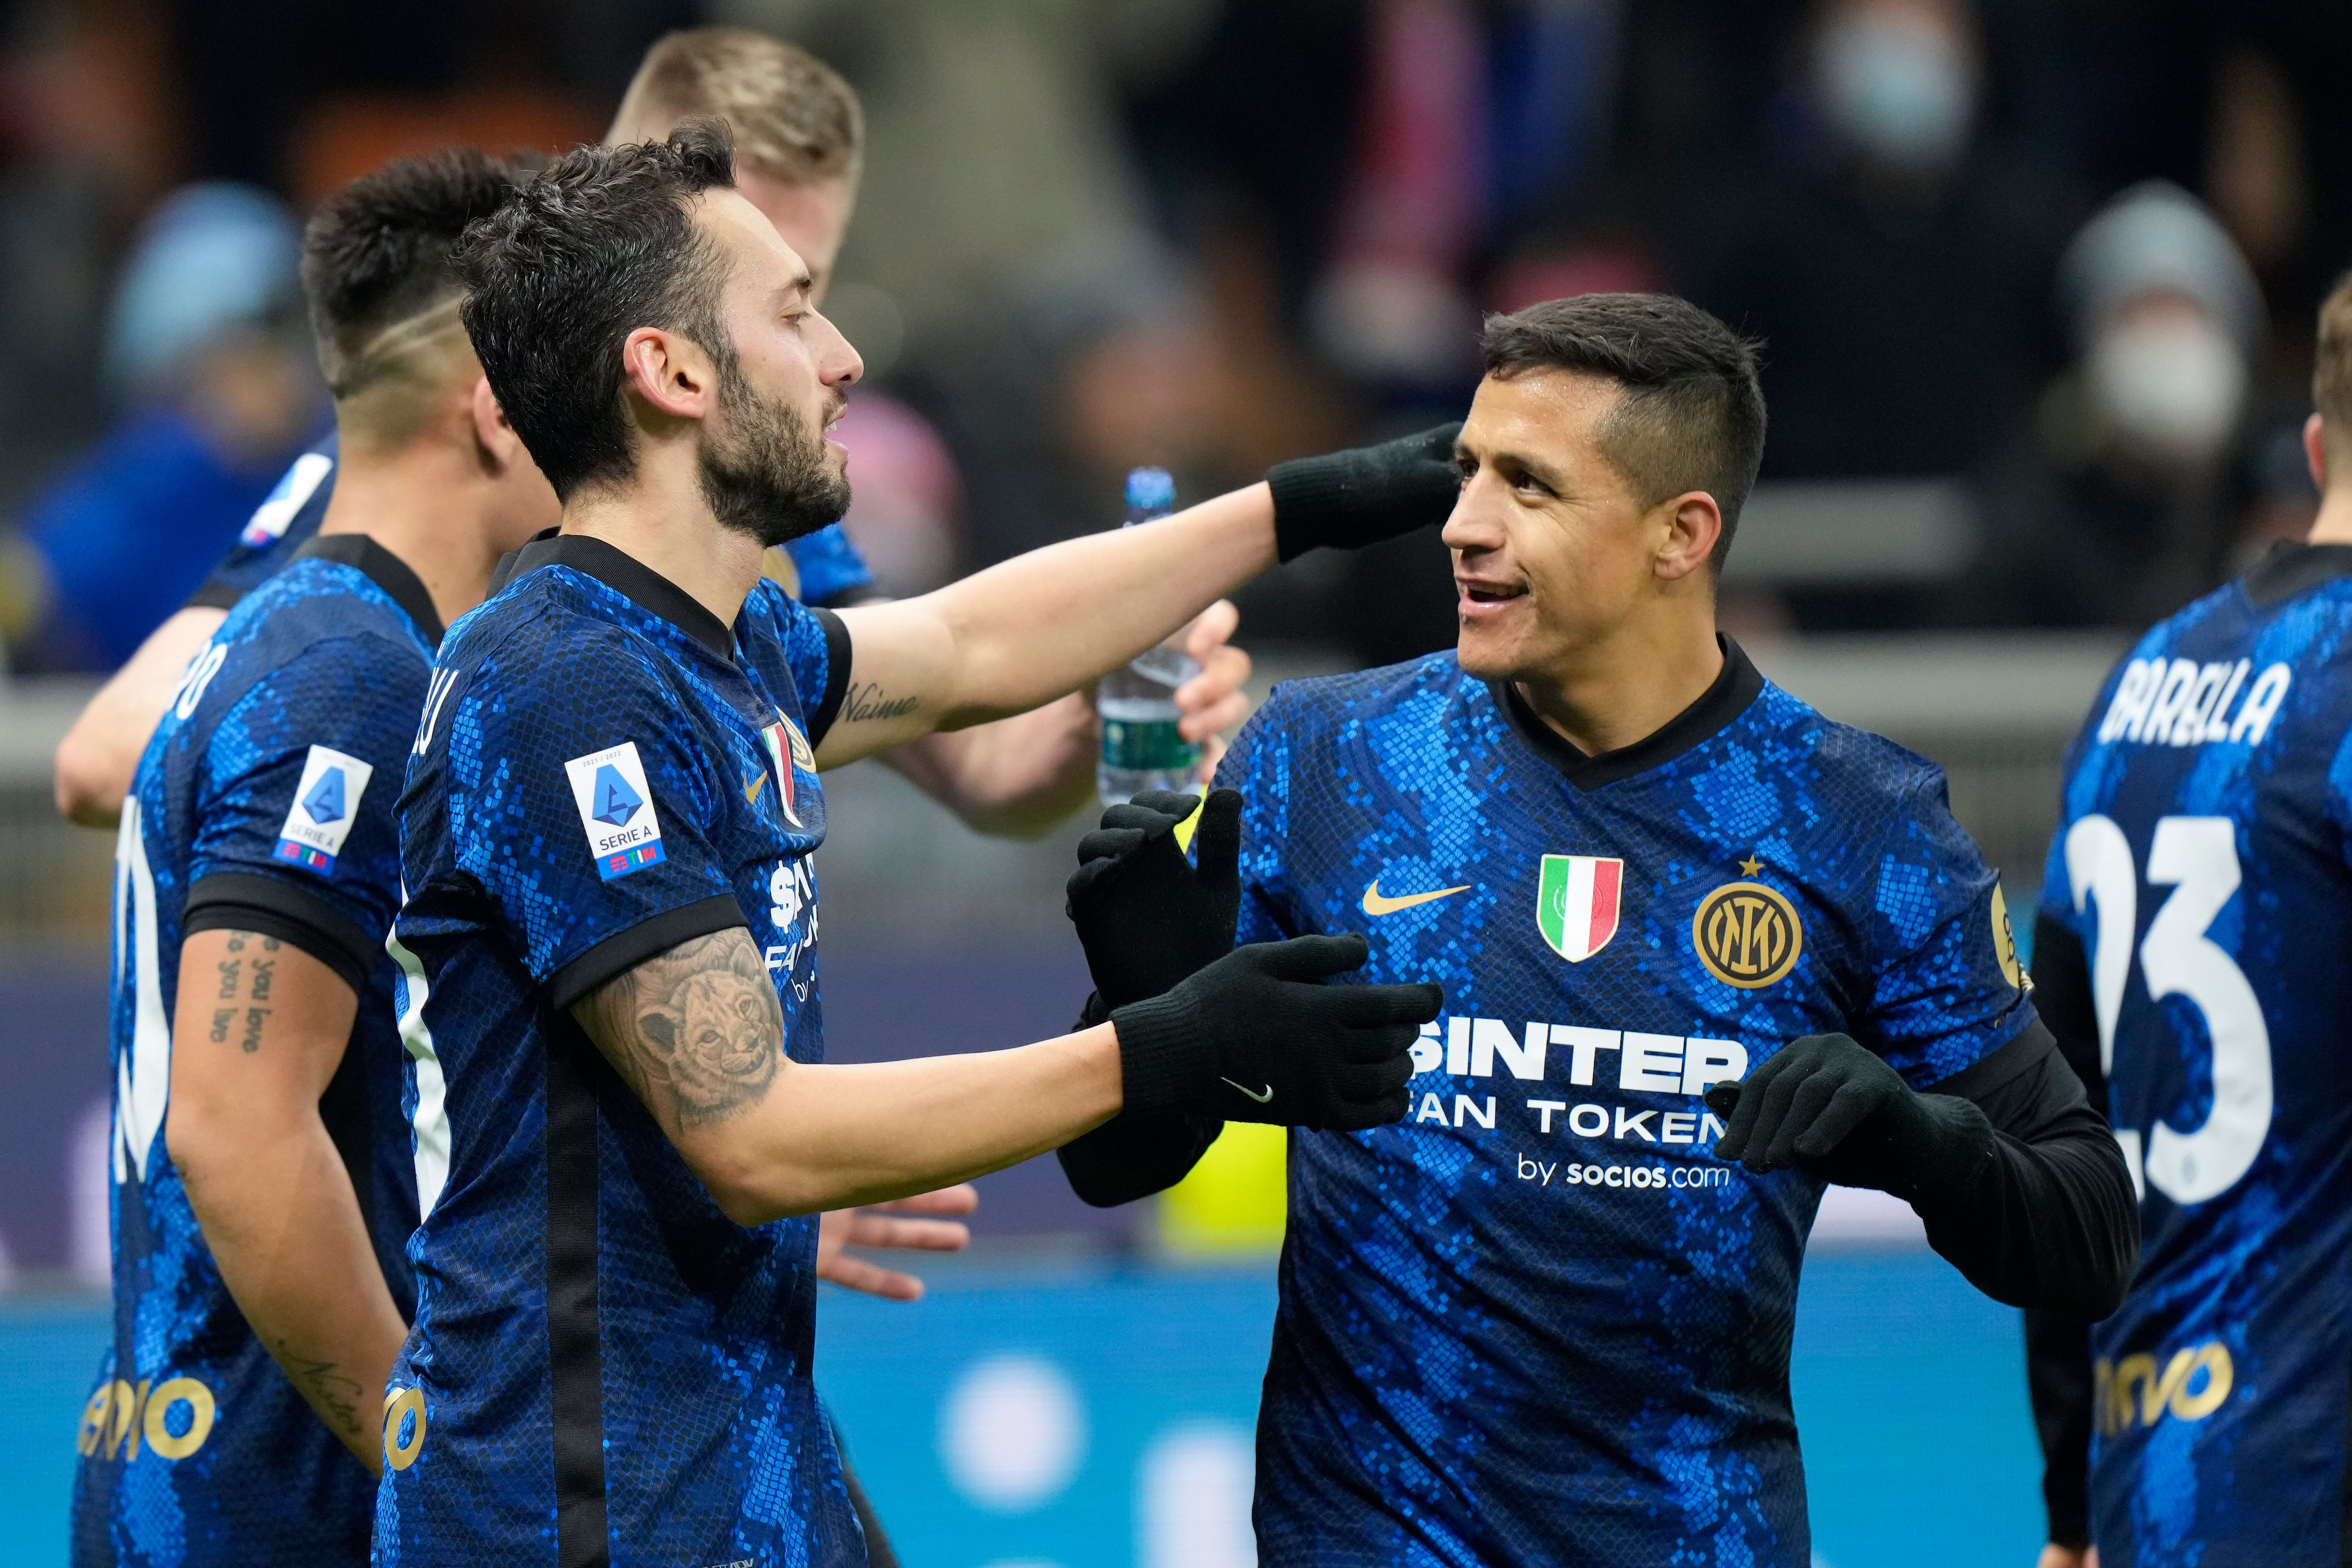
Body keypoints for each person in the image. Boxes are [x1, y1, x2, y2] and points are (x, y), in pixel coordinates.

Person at [372, 122, 1452, 1563]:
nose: (842, 359)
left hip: (732, 1464)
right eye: (794, 309)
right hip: (581, 1505)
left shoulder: (717, 645)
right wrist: (1159, 1049)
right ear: (672, 370)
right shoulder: (563, 685)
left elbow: (967, 645)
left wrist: (1300, 505)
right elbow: (751, 1132)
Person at [1056, 292, 2140, 1565]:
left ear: (1682, 533)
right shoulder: (1325, 758)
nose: (1462, 524)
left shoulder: (1860, 823)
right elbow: (1114, 1170)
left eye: (1529, 485)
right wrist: (1151, 1017)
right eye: (1466, 471)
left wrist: (1918, 1139)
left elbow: (2090, 1237)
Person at [52, 26, 1246, 842]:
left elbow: (982, 773)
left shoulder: (764, 501)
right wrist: (545, 765)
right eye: (745, 296)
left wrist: (1093, 720)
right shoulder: (447, 450)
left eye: (806, 288)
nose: (812, 353)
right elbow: (109, 758)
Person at [71, 150, 553, 1565]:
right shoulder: (346, 676)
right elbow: (238, 1129)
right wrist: (423, 1452)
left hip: (206, 1472)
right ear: (496, 409)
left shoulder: (305, 640)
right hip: (269, 1506)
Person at [2023, 268, 2352, 1567]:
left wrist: (2067, 1498)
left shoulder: (2144, 676)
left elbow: (2052, 1120)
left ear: (2320, 443)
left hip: (2162, 1478)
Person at [11, 183, 326, 674]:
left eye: (297, 334)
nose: (288, 368)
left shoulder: (327, 457)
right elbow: (29, 582)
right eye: (258, 338)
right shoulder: (154, 471)